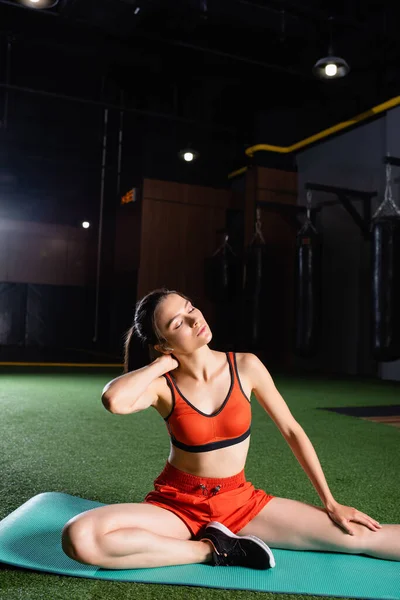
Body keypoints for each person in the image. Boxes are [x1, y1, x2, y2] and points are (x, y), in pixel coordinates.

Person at [61, 288, 400, 570]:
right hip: (178, 505)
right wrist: (162, 363)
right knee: (81, 537)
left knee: (361, 536)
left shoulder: (246, 366)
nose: (196, 319)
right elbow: (114, 401)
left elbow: (292, 431)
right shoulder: (162, 385)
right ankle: (214, 549)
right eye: (179, 322)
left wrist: (331, 501)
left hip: (240, 502)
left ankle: (220, 540)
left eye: (191, 308)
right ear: (164, 343)